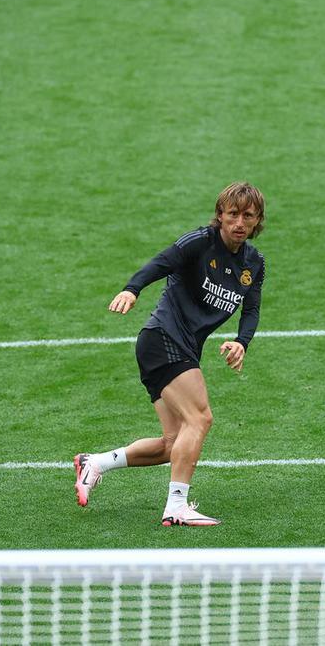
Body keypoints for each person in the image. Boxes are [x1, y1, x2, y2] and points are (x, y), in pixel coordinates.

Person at [73, 182, 267, 526]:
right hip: (163, 339)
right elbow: (161, 263)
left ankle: (96, 462)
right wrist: (132, 289)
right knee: (201, 419)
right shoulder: (199, 242)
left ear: (257, 221)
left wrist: (242, 341)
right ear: (220, 215)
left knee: (172, 444)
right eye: (232, 214)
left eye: (247, 216)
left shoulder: (253, 263)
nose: (239, 222)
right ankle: (176, 506)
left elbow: (250, 308)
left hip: (175, 347)